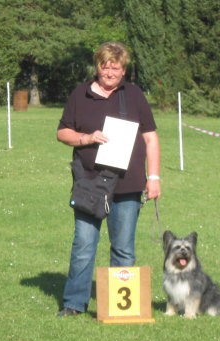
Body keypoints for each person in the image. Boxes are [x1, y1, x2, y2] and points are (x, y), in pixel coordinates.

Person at [56, 42, 161, 316]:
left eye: (116, 67)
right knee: (83, 245)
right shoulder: (80, 95)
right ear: (97, 66)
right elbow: (62, 132)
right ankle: (73, 304)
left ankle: (120, 309)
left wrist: (154, 178)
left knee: (124, 249)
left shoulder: (135, 95)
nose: (110, 72)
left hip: (128, 185)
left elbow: (151, 138)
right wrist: (86, 138)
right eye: (105, 66)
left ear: (123, 70)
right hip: (90, 183)